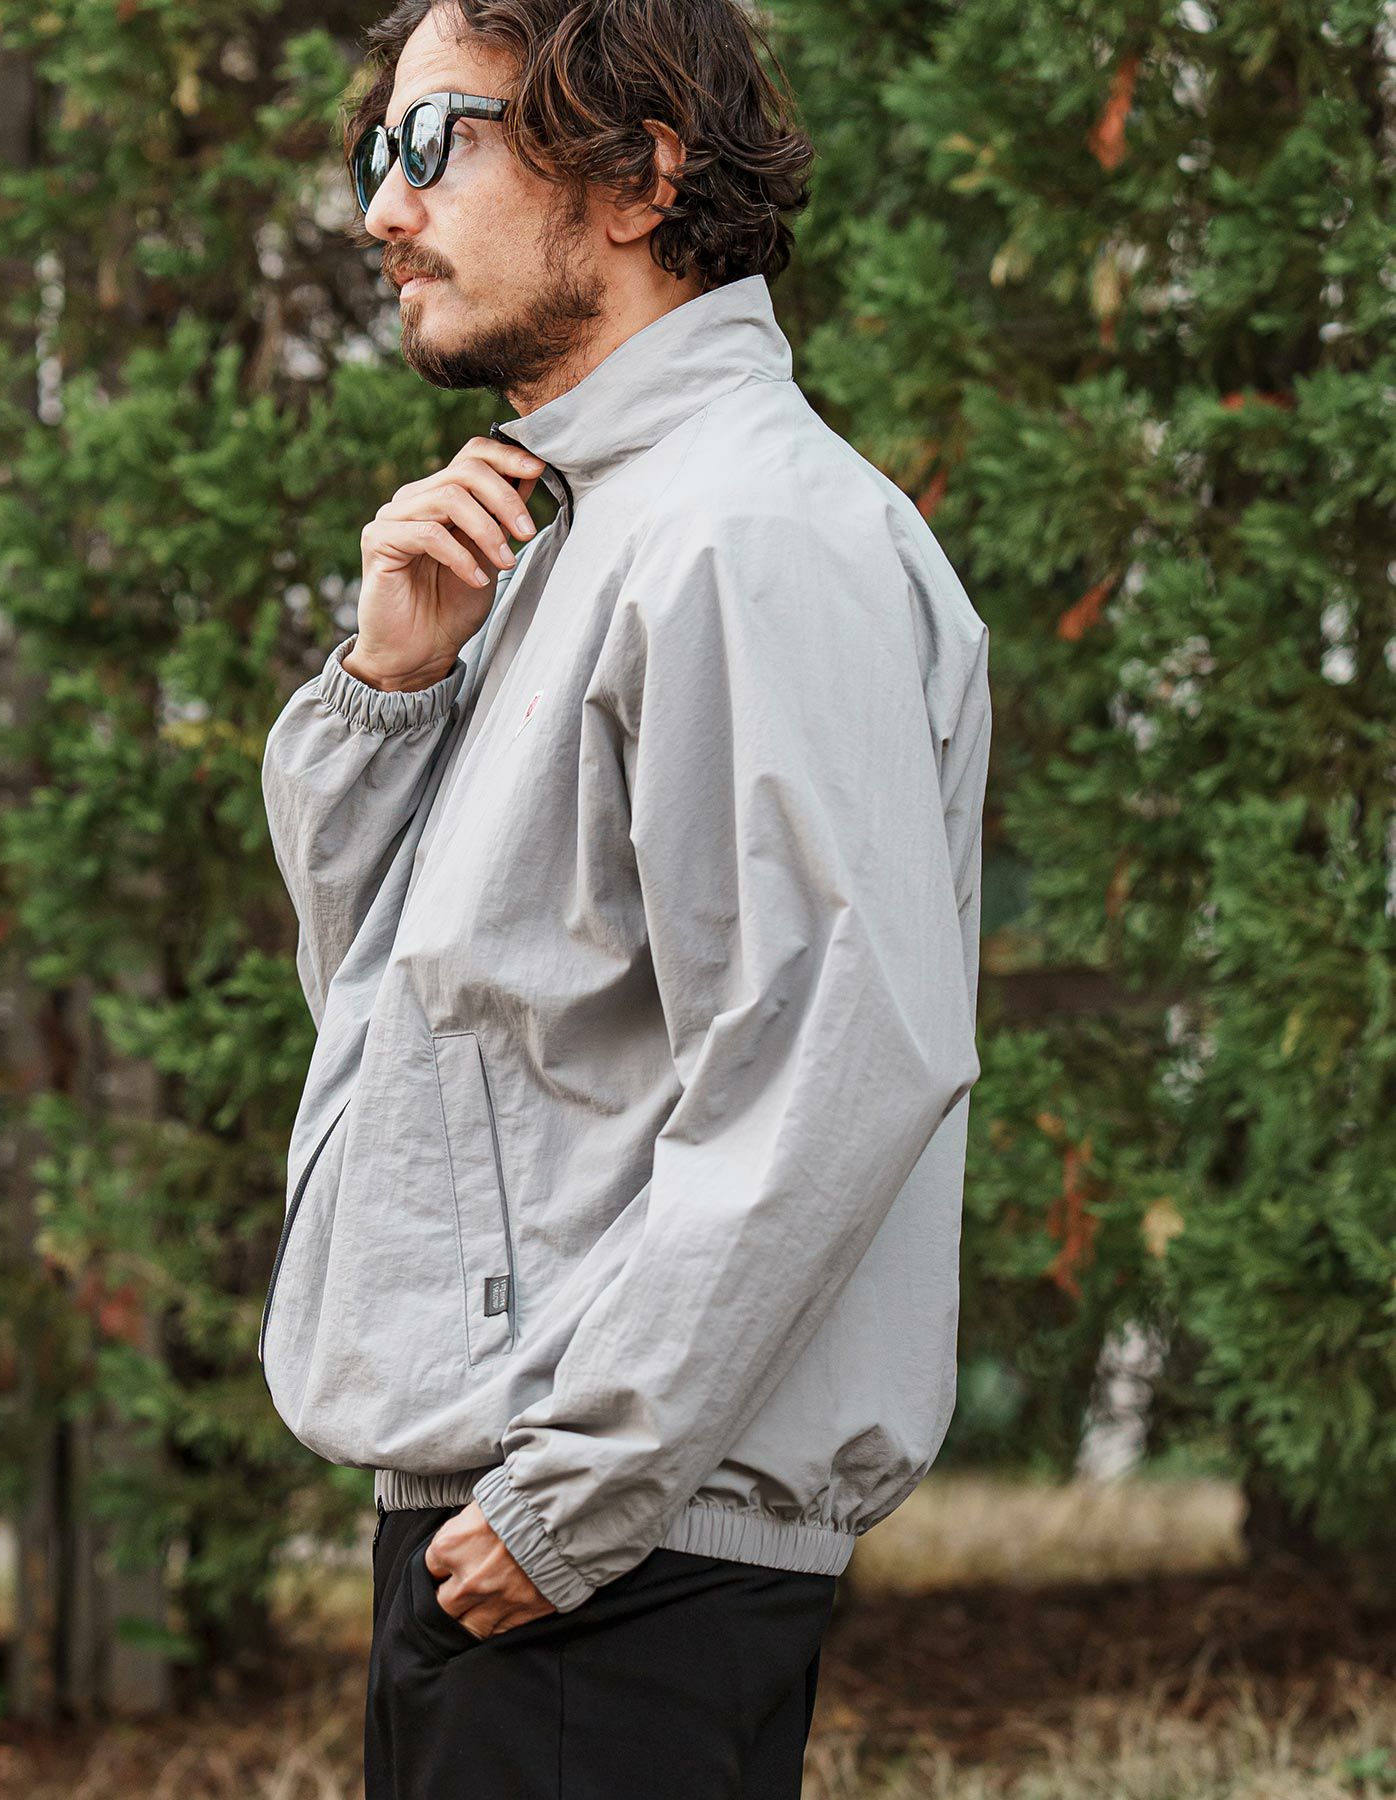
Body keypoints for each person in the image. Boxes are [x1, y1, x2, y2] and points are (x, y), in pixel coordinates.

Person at [257, 0, 991, 1793]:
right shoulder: (571, 535)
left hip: (612, 1563)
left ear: (640, 173)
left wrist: (571, 1500)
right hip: (531, 1533)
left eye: (438, 142)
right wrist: (390, 693)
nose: (382, 208)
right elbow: (407, 1040)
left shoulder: (744, 535)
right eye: (375, 154)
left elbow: (839, 1052)